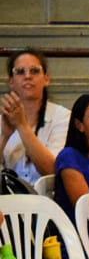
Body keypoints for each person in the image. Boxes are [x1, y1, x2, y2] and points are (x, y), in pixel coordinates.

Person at [2, 48, 70, 184]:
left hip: (48, 200)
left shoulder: (62, 116)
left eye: (34, 71)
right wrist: (4, 136)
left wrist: (21, 125)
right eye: (20, 72)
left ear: (46, 79)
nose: (27, 76)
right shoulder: (2, 117)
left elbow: (51, 170)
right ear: (11, 82)